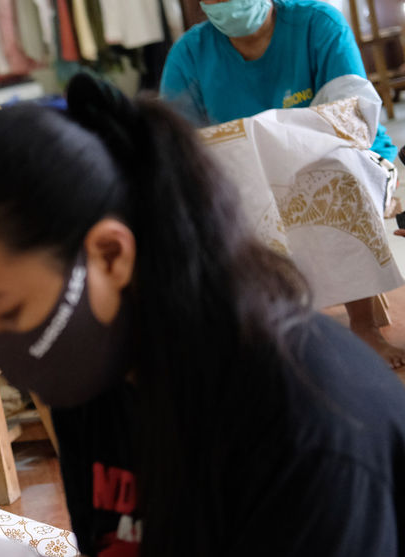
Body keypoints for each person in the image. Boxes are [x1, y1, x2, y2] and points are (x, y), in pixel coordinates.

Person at [0, 72, 405, 557]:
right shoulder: (92, 381)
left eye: (7, 310)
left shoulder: (307, 425)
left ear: (111, 255)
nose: (0, 347)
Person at [159, 0, 405, 368]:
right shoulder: (190, 54)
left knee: (334, 172)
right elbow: (176, 145)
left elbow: (352, 117)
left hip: (337, 158)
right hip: (245, 174)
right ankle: (261, 337)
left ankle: (364, 326)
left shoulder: (318, 25)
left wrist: (272, 140)